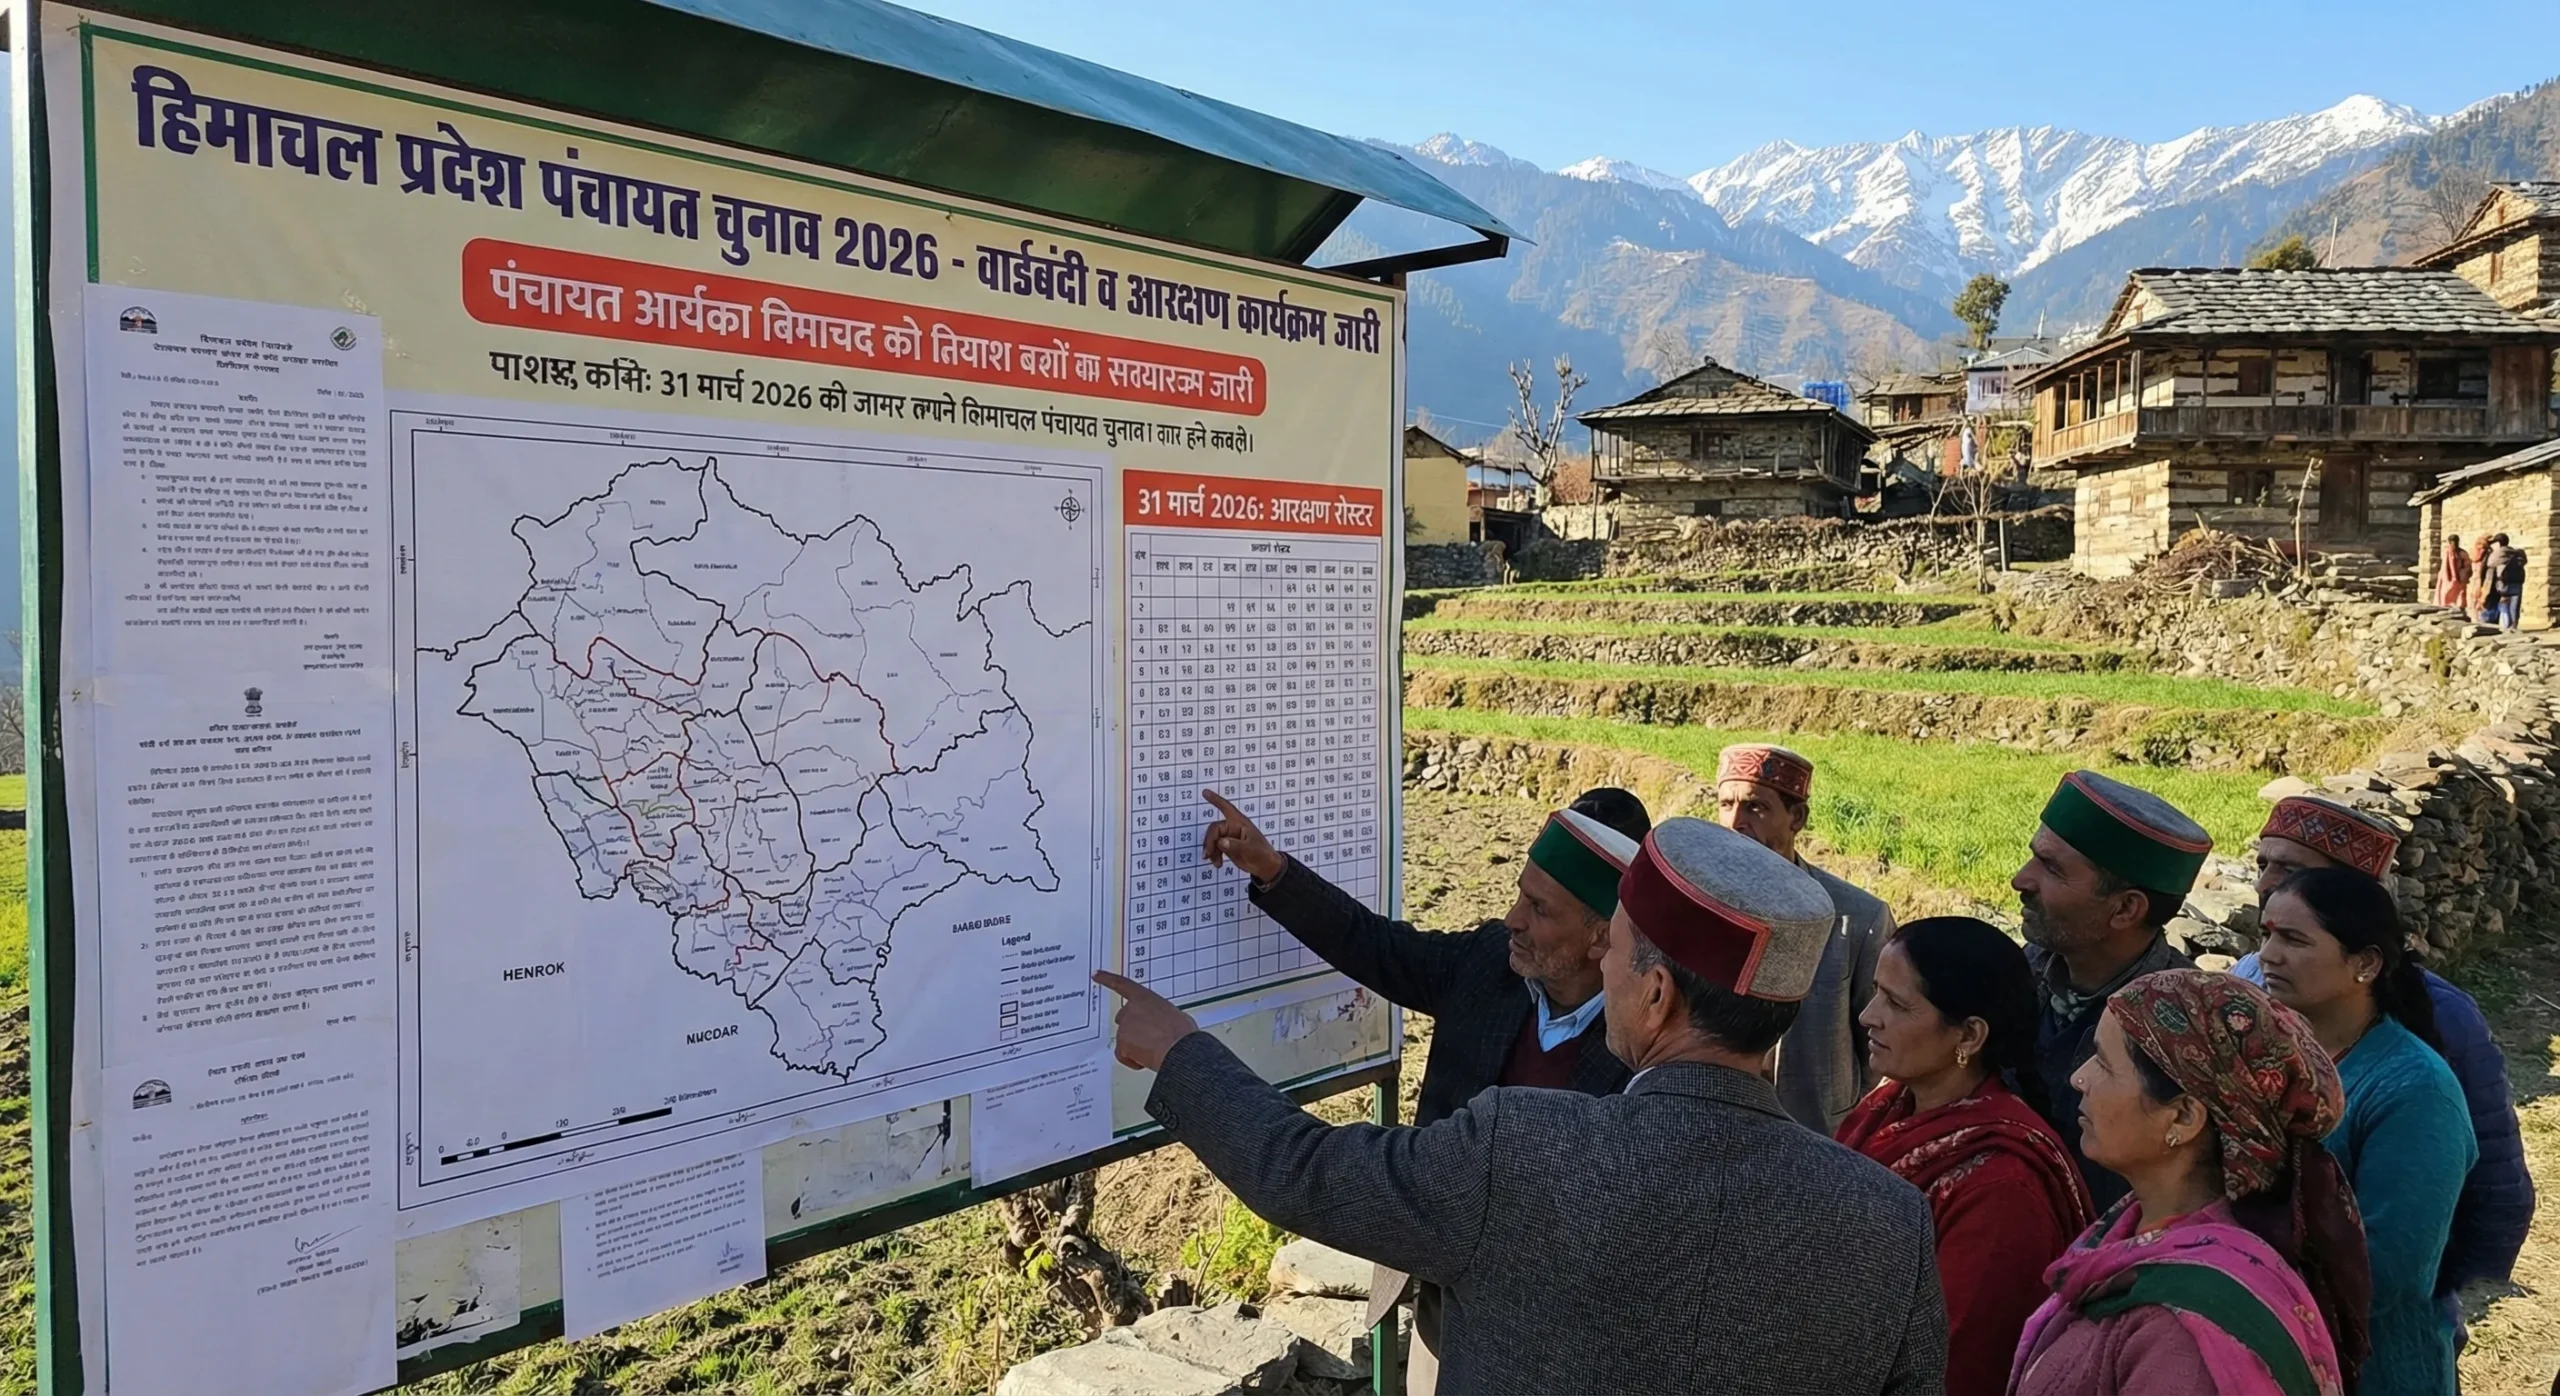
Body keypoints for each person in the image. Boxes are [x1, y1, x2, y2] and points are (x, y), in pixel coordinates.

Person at [1098, 817, 1948, 1394]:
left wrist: (1182, 1056)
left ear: (1656, 995)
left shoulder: (1522, 1149)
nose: (1604, 968)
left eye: (1615, 952)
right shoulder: (1892, 1225)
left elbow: (1308, 1172)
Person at [1195, 786, 1646, 1392]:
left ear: (1600, 938)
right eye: (1520, 893)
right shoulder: (1487, 965)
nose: (1513, 918)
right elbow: (1377, 946)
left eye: (1539, 909)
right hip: (1442, 1300)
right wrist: (1274, 871)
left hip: (1559, 1333)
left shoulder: (1642, 1047)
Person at [2232, 795, 2536, 1338]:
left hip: (2366, 1331)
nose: (2266, 883)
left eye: (2292, 871)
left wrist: (2442, 1285)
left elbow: (2489, 1174)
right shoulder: (2248, 982)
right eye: (2263, 864)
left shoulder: (2434, 1042)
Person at [2011, 969, 2370, 1396]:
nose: (2079, 1078)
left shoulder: (2184, 1334)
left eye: (2104, 1063)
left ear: (2182, 1117)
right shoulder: (2134, 1231)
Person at [1838, 916, 2093, 1396]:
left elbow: (1954, 1363)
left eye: (1896, 1003)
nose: (1869, 1016)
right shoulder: (1886, 1107)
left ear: (1969, 1035)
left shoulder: (2004, 1189)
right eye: (1875, 993)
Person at [2259, 867, 2477, 1395]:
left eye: (2294, 940)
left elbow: (2386, 1269)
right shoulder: (2268, 1053)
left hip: (2371, 1371)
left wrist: (2235, 1284)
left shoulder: (2416, 1090)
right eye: (2266, 934)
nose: (2267, 955)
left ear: (2365, 964)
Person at [2012, 769, 2209, 1208]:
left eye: (2051, 869)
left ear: (2125, 909)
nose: (2021, 880)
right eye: (2034, 858)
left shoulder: (2179, 1032)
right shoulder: (2017, 971)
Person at [1714, 743, 1893, 1132]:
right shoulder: (1700, 906)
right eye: (1726, 805)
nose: (1736, 823)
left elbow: (1878, 1041)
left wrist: (1840, 1113)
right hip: (1717, 1124)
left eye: (1755, 807)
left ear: (1797, 817)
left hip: (1816, 1134)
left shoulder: (1857, 919)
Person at [2481, 534, 2515, 629]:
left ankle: (2490, 625)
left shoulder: (2496, 554)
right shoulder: (2513, 552)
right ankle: (2508, 625)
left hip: (2495, 582)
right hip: (2510, 582)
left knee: (2492, 604)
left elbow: (2487, 565)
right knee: (2507, 606)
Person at [2498, 535, 2528, 630]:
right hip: (2517, 583)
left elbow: (2490, 563)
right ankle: (2514, 625)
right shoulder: (2518, 556)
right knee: (2515, 606)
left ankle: (2506, 625)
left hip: (2505, 583)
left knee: (2505, 604)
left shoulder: (2502, 554)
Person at [2438, 534, 2471, 613]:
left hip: (2458, 576)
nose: (2454, 544)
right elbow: (2445, 566)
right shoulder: (2447, 552)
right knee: (2447, 592)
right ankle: (2446, 607)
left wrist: (2461, 574)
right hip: (2448, 576)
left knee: (2459, 592)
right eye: (2452, 542)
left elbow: (2467, 566)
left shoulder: (2462, 553)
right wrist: (2453, 576)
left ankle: (2459, 607)